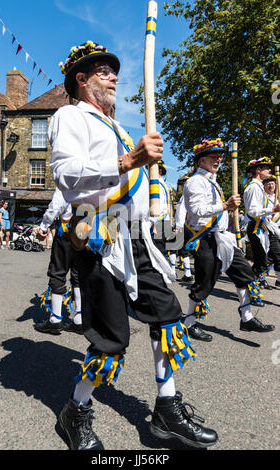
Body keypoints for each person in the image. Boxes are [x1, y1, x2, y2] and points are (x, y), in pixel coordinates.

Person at [49, 41, 218, 450]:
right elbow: (65, 174)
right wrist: (128, 161)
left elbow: (139, 181)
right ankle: (76, 411)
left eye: (113, 70)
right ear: (82, 79)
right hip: (99, 237)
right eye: (104, 71)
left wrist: (153, 185)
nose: (114, 77)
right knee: (111, 340)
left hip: (139, 235)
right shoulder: (69, 116)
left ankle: (166, 409)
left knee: (167, 317)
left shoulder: (118, 127)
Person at [181, 138, 275, 343]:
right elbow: (196, 211)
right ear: (201, 160)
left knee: (245, 273)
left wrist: (228, 208)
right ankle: (188, 323)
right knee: (204, 284)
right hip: (205, 238)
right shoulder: (195, 181)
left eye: (220, 156)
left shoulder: (211, 181)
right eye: (213, 156)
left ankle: (246, 317)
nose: (218, 159)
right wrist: (225, 206)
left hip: (224, 238)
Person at [34, 187, 83, 335]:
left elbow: (56, 205)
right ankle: (80, 319)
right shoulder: (92, 176)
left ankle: (55, 320)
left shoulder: (67, 177)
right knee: (79, 275)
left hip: (66, 234)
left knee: (57, 273)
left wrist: (43, 226)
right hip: (84, 233)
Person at [243, 158, 280, 290]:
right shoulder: (254, 188)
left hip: (262, 228)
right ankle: (252, 288)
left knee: (262, 261)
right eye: (267, 168)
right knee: (260, 262)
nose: (269, 170)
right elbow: (252, 211)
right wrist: (273, 210)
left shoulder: (259, 188)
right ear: (258, 170)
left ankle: (255, 286)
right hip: (256, 228)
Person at [174, 175, 194, 283]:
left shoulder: (185, 197)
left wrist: (178, 227)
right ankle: (188, 273)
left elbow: (181, 213)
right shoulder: (192, 195)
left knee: (180, 250)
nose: (183, 185)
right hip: (192, 227)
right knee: (184, 251)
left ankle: (187, 274)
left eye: (184, 183)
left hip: (184, 227)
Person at [262, 175, 280, 288]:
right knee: (276, 254)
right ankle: (261, 277)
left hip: (278, 229)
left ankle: (276, 279)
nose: (270, 186)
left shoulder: (277, 198)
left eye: (272, 184)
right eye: (267, 184)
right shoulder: (263, 198)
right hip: (269, 229)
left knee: (272, 257)